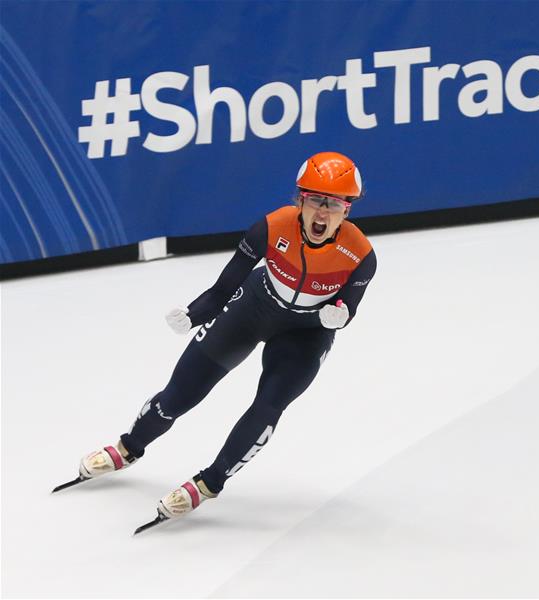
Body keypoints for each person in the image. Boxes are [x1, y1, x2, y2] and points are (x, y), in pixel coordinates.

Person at [62, 151, 376, 524]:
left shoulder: (360, 256)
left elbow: (346, 309)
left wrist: (339, 316)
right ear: (300, 200)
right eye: (314, 201)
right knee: (179, 393)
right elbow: (224, 286)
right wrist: (194, 313)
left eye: (333, 204)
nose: (322, 213)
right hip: (253, 309)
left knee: (269, 406)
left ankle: (209, 483)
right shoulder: (271, 227)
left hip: (304, 334)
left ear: (348, 209)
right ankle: (128, 447)